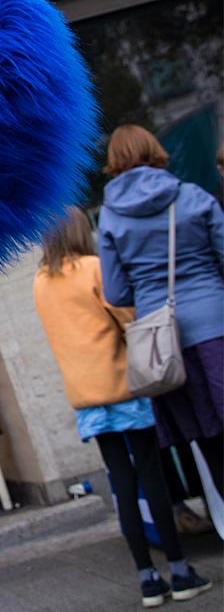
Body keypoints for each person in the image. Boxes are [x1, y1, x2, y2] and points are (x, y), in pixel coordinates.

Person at [34, 207, 212, 606]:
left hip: (87, 401)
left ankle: (146, 578)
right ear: (82, 231)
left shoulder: (40, 283)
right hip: (125, 390)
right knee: (154, 481)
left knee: (124, 489)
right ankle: (181, 572)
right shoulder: (94, 269)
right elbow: (127, 317)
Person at [99, 125, 224, 500]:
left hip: (164, 345)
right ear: (155, 149)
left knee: (208, 441)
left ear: (115, 162)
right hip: (217, 325)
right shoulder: (193, 197)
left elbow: (117, 292)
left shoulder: (110, 217)